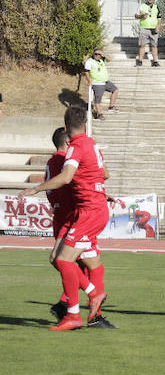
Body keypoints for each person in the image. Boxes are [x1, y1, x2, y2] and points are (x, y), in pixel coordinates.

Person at [19, 107, 110, 330]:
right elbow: (104, 173)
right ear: (86, 125)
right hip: (91, 209)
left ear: (66, 126)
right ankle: (84, 311)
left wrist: (36, 189)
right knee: (91, 263)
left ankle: (83, 305)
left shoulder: (73, 149)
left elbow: (66, 177)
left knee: (61, 260)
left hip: (85, 212)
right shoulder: (92, 144)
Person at [43, 126, 115, 328]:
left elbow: (77, 183)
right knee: (68, 261)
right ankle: (82, 306)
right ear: (68, 143)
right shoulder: (63, 160)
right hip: (75, 217)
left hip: (72, 215)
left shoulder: (53, 161)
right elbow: (68, 183)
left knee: (91, 264)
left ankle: (76, 308)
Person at [84, 48, 120, 120]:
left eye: (98, 54)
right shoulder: (89, 62)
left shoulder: (101, 60)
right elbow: (86, 72)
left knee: (115, 90)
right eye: (95, 54)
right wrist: (89, 81)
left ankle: (111, 106)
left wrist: (103, 53)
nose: (97, 55)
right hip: (97, 83)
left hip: (105, 81)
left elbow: (109, 59)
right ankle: (99, 113)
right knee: (98, 99)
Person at [135, 0, 160, 66]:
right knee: (142, 45)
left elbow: (159, 18)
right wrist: (142, 16)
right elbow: (136, 16)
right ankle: (140, 61)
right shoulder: (141, 6)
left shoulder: (156, 7)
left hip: (153, 29)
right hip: (144, 28)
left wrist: (158, 27)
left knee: (154, 46)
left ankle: (155, 61)